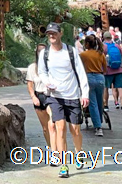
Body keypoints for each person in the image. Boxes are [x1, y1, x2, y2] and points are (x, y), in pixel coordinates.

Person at [38, 23, 90, 178]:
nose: (51, 36)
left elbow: (81, 73)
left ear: (60, 33)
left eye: (54, 33)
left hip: (72, 95)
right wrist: (47, 82)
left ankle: (79, 153)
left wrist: (85, 94)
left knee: (75, 130)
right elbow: (42, 72)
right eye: (49, 33)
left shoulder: (71, 52)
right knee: (60, 129)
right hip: (55, 96)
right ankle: (64, 165)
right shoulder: (45, 53)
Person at [26, 44, 54, 147]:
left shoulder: (52, 66)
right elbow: (30, 85)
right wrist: (33, 97)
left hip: (51, 96)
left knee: (52, 125)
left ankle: (57, 149)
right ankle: (51, 148)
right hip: (39, 97)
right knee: (45, 128)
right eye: (39, 51)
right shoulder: (32, 68)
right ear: (37, 53)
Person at [79, 35, 106, 137]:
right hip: (100, 78)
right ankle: (99, 120)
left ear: (87, 44)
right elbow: (105, 68)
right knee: (100, 102)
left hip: (89, 78)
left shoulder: (83, 55)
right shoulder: (101, 54)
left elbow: (79, 68)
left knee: (92, 104)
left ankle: (98, 127)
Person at [102, 32, 122, 113]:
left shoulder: (103, 47)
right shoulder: (117, 46)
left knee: (106, 88)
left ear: (104, 38)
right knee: (120, 88)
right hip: (118, 70)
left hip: (107, 71)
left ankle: (106, 105)